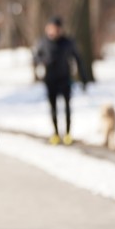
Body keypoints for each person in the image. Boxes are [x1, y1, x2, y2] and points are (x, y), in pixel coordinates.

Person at [32, 16, 86, 145]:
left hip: (65, 79)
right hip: (50, 80)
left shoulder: (67, 42)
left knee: (67, 107)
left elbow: (78, 59)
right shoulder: (43, 42)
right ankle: (55, 133)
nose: (54, 31)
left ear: (60, 29)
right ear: (47, 29)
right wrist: (42, 62)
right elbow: (35, 57)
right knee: (53, 107)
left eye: (56, 29)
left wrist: (83, 78)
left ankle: (67, 133)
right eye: (51, 28)